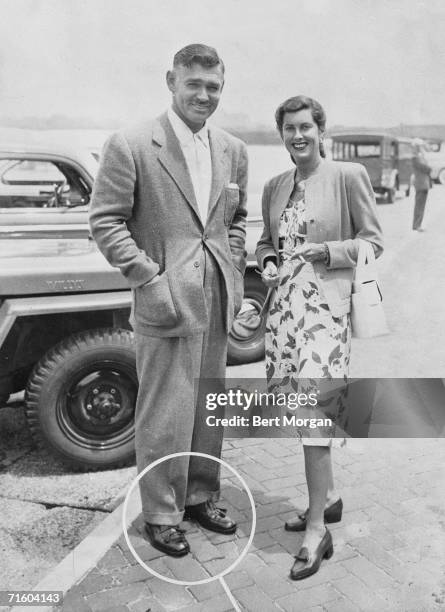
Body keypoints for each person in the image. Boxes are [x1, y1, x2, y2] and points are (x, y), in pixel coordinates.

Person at [89, 44, 248, 557]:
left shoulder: (232, 149)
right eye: (194, 85)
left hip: (216, 298)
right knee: (164, 409)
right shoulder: (132, 143)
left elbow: (235, 221)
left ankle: (200, 495)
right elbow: (104, 220)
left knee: (208, 404)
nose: (204, 95)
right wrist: (148, 276)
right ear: (171, 81)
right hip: (164, 298)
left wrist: (234, 265)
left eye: (213, 87)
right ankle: (160, 512)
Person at [256, 95, 383, 580]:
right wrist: (267, 262)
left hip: (324, 317)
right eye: (289, 128)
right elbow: (268, 242)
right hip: (283, 317)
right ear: (281, 133)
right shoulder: (273, 186)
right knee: (299, 412)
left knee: (315, 418)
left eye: (306, 126)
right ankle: (327, 499)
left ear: (321, 130)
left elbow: (373, 242)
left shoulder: (347, 177)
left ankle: (316, 530)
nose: (298, 136)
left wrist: (328, 252)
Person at [412, 139, 432, 231]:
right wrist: (429, 167)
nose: (422, 147)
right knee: (419, 205)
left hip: (423, 184)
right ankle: (416, 225)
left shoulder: (420, 157)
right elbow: (426, 168)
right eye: (420, 146)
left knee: (421, 205)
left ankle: (418, 224)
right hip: (421, 184)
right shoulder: (416, 158)